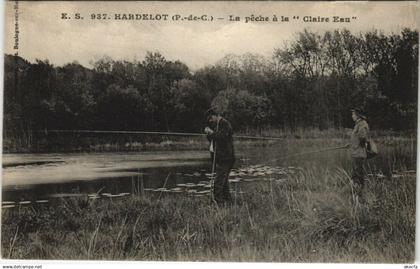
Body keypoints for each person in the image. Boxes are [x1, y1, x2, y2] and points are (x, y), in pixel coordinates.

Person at [204, 109, 235, 206]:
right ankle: (229, 203)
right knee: (224, 182)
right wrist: (209, 134)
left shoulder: (225, 124)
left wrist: (211, 133)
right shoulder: (216, 125)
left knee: (218, 183)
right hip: (221, 159)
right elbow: (213, 140)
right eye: (209, 119)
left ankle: (218, 204)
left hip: (226, 159)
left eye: (211, 118)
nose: (210, 121)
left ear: (216, 115)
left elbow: (222, 137)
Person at [349, 108, 369, 201]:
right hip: (356, 153)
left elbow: (363, 137)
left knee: (358, 175)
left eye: (353, 114)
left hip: (359, 154)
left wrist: (358, 145)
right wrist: (352, 144)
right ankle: (356, 195)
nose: (352, 116)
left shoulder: (362, 124)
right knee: (355, 175)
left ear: (358, 115)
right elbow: (358, 138)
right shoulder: (358, 124)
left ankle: (361, 196)